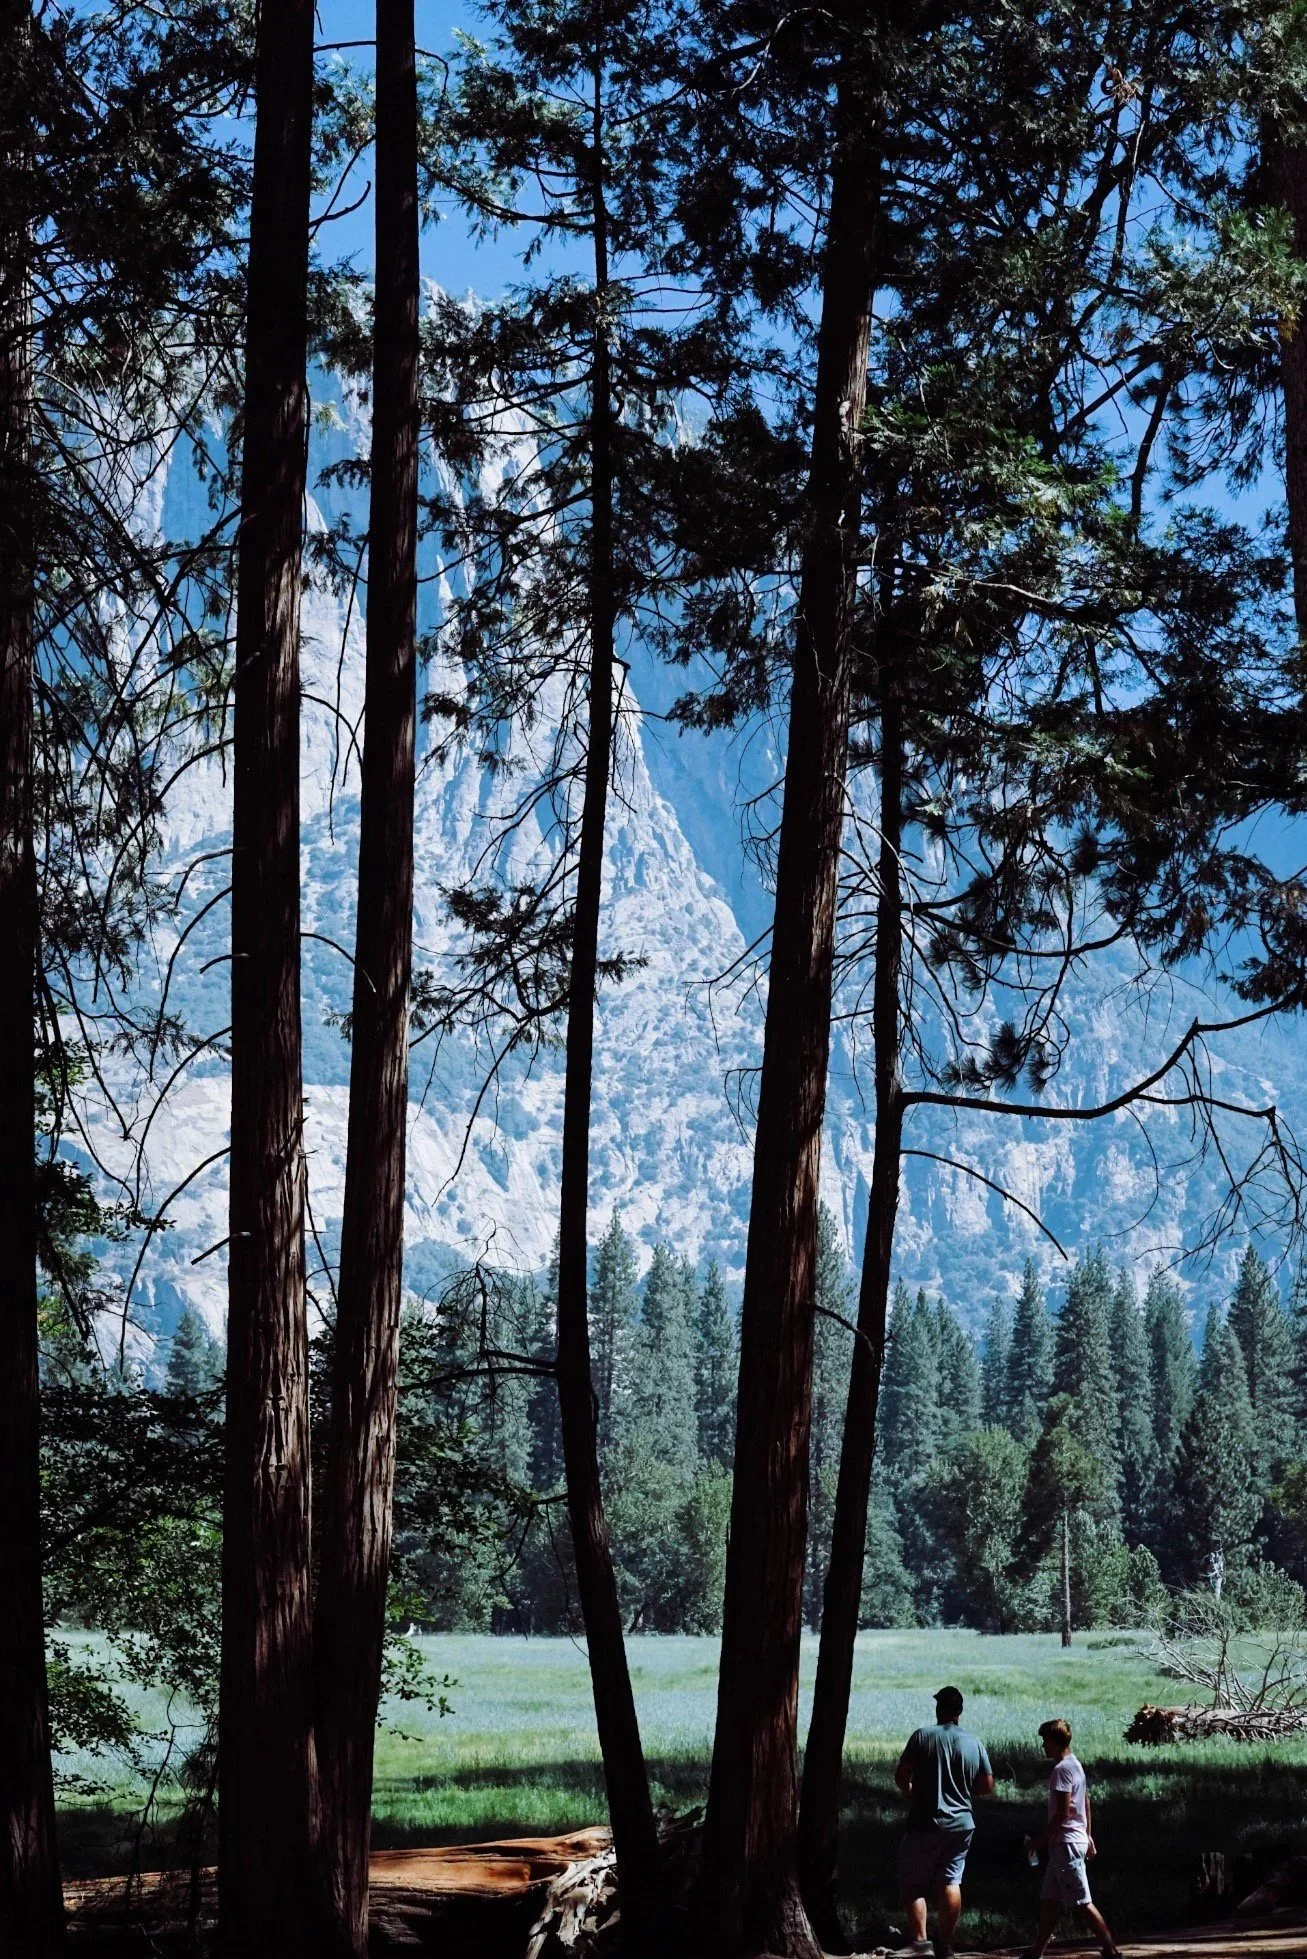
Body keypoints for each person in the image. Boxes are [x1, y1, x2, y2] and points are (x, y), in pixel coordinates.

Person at [891, 1684, 994, 1959]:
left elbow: (901, 1775)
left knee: (911, 1882)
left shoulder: (922, 1737)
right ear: (959, 1712)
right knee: (951, 1882)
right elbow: (986, 1786)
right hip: (962, 1824)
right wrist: (960, 1790)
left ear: (939, 1708)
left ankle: (920, 1942)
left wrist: (909, 1790)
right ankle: (945, 1945)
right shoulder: (974, 1742)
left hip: (925, 1821)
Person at [1022, 1718, 1121, 1959]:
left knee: (1082, 1901)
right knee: (1050, 1901)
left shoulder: (1061, 1770)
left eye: (1045, 1741)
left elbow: (1062, 1814)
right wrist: (1088, 1835)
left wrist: (1038, 1842)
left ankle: (1111, 1950)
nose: (1043, 1746)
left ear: (1056, 1743)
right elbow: (1085, 1801)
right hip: (1071, 1840)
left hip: (1065, 1843)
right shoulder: (1075, 1765)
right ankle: (1036, 1952)